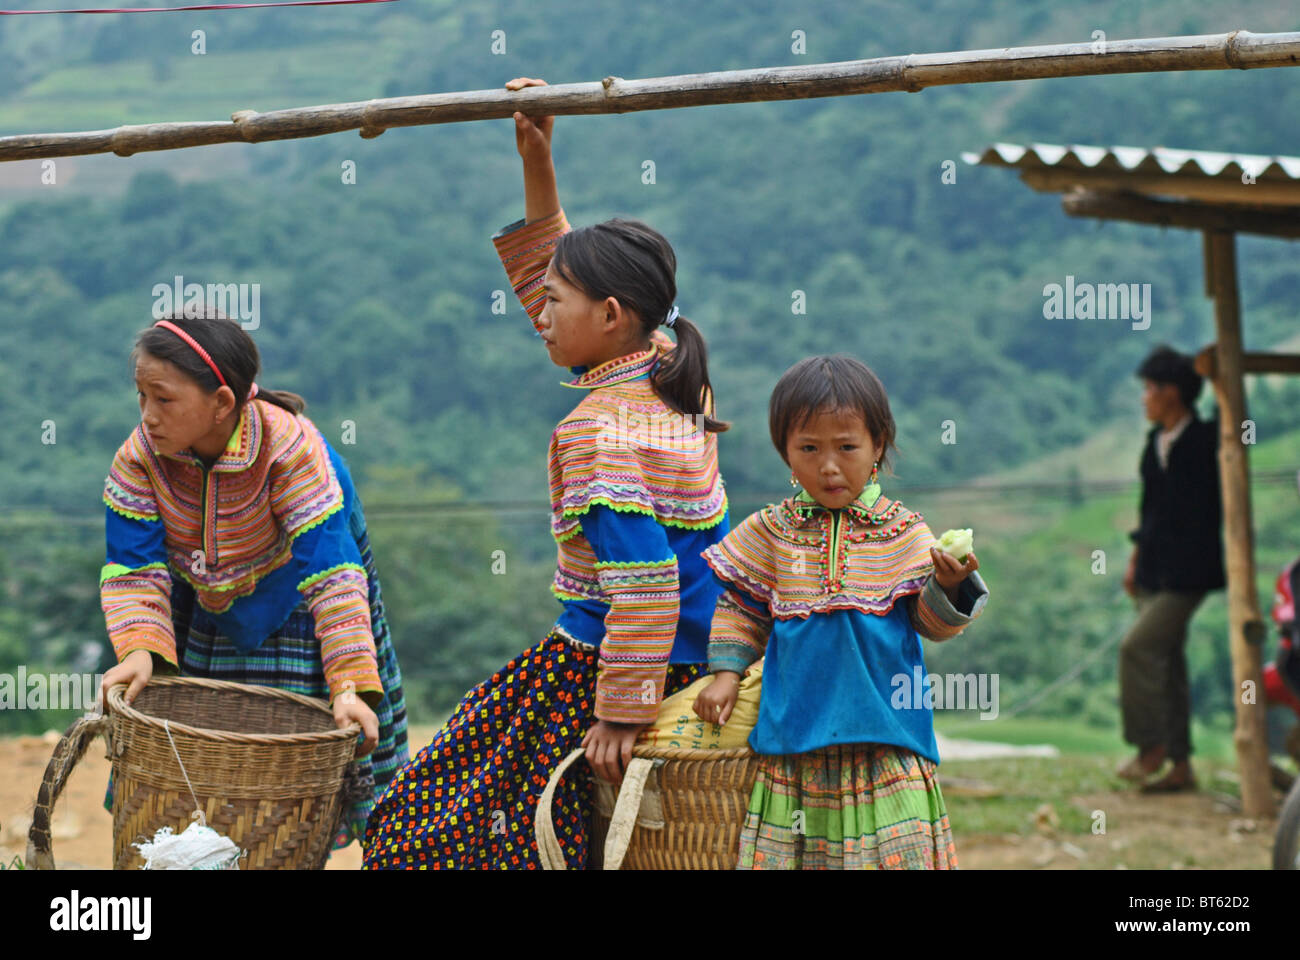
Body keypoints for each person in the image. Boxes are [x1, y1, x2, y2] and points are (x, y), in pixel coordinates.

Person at [361, 76, 732, 869]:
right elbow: (562, 274)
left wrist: (622, 714)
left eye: (554, 302)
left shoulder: (598, 431)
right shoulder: (672, 366)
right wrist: (538, 158)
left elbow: (643, 581)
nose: (539, 314)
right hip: (691, 650)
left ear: (609, 316)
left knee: (422, 830)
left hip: (612, 662)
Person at [97, 309, 408, 850]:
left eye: (164, 399)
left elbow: (333, 575)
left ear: (221, 403)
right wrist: (140, 653)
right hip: (203, 605)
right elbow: (135, 569)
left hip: (303, 601)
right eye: (141, 396)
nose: (147, 415)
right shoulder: (139, 460)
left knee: (288, 788)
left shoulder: (292, 451)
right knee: (202, 777)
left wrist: (349, 685)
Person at [692, 354, 989, 869]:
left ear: (878, 447)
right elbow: (742, 608)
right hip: (795, 743)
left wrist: (946, 584)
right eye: (808, 448)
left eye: (847, 447)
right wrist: (725, 674)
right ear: (785, 454)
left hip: (888, 740)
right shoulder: (772, 532)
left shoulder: (905, 533)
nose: (828, 466)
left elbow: (930, 625)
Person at [1117, 344, 1225, 793]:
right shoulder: (1152, 444)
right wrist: (1135, 560)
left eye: (1150, 389)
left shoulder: (1205, 441)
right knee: (1170, 664)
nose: (1144, 398)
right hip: (1153, 570)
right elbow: (1150, 512)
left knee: (1136, 648)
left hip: (1189, 574)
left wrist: (1218, 377)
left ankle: (1149, 748)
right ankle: (1181, 766)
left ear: (1174, 393)